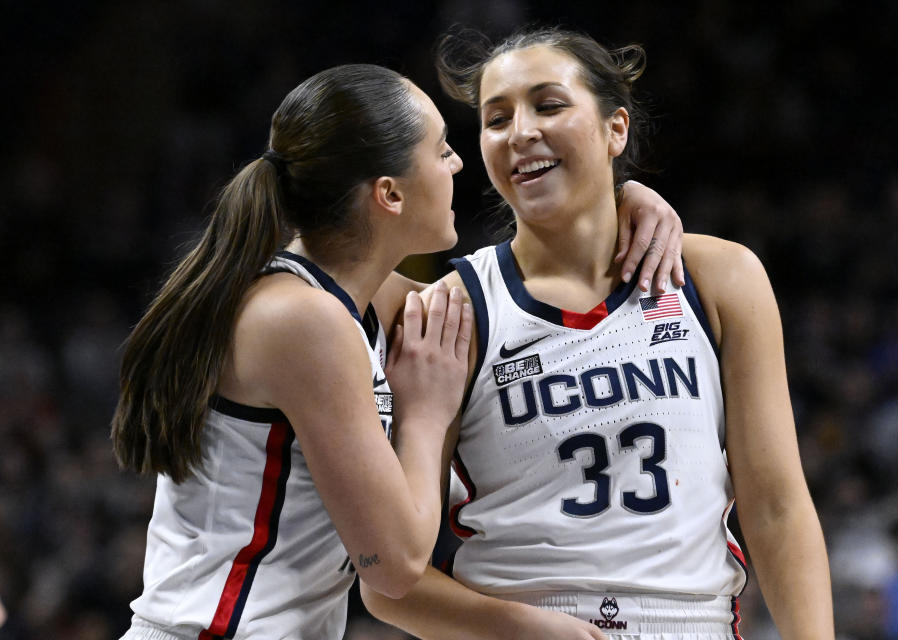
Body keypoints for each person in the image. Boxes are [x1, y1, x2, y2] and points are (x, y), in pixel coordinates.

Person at [111, 62, 685, 639]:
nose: (458, 162)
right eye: (440, 152)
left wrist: (621, 202)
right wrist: (425, 415)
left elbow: (504, 304)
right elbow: (394, 564)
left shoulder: (359, 299)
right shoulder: (300, 319)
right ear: (389, 194)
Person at [361, 27, 835, 640]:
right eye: (496, 118)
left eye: (549, 105)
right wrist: (523, 628)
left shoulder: (720, 278)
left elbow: (775, 507)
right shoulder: (453, 307)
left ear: (617, 129)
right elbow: (390, 580)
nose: (521, 131)